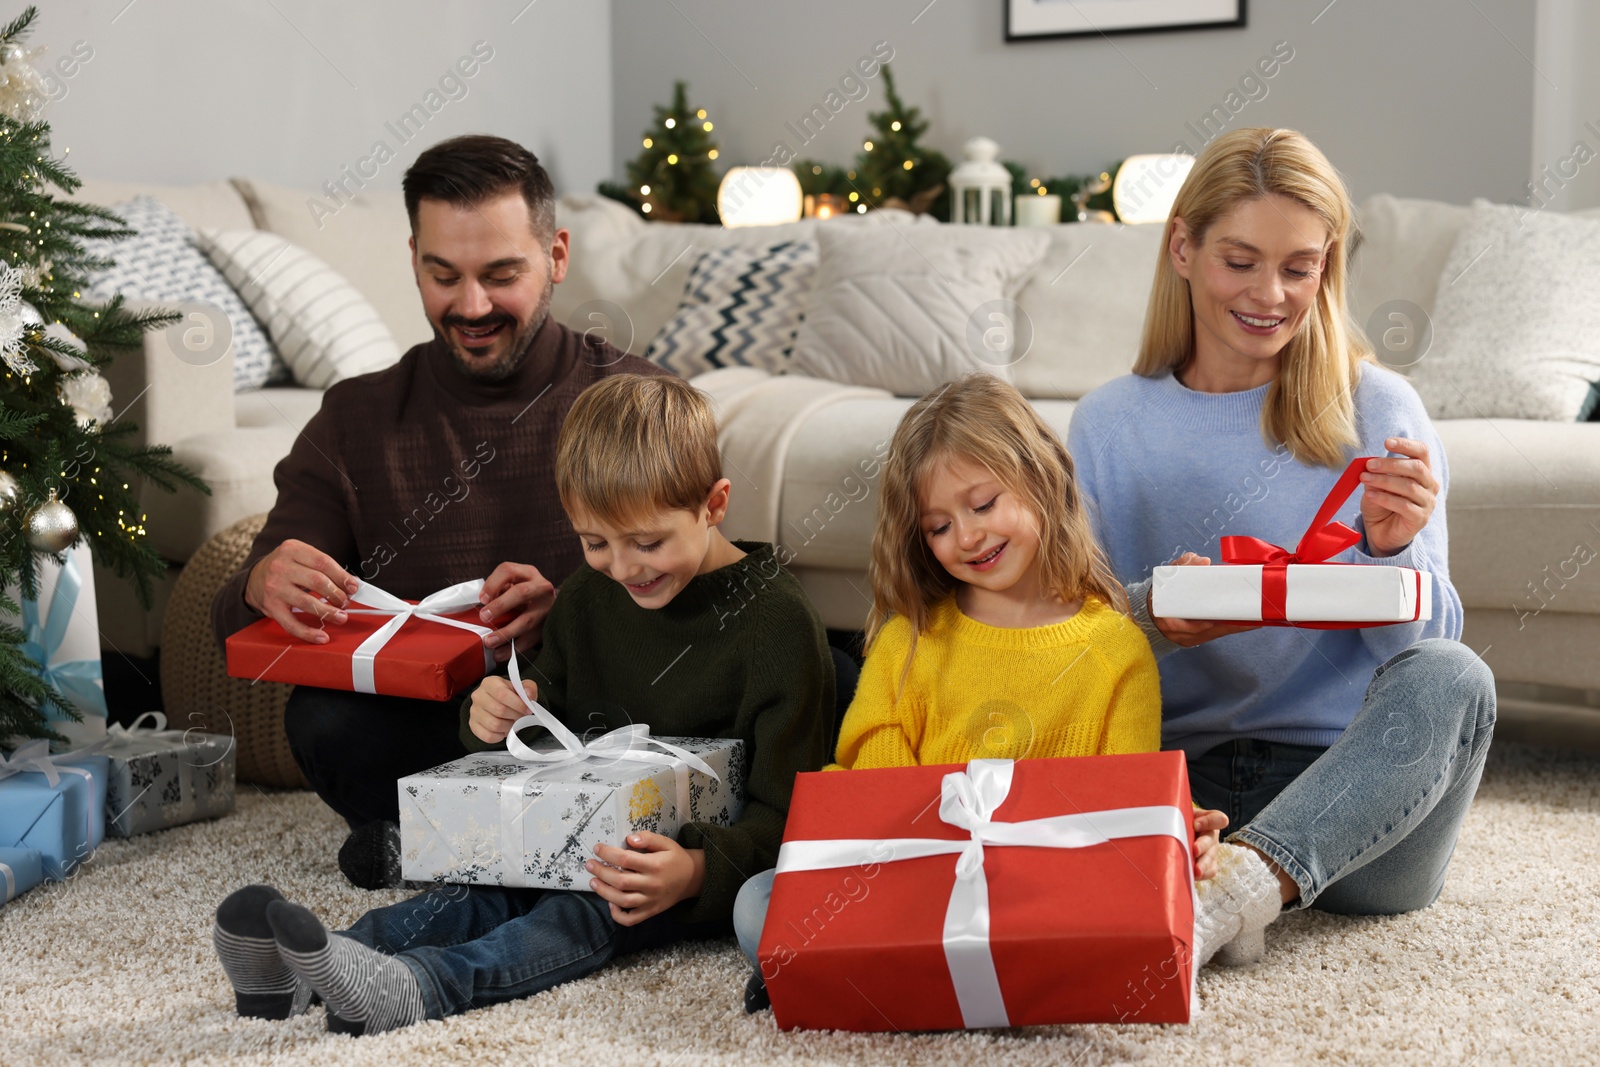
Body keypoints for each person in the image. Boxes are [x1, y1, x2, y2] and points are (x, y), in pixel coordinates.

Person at [209, 373, 836, 1033]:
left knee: (570, 916)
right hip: (562, 838)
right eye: (595, 542)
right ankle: (310, 965)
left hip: (659, 878)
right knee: (477, 889)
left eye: (647, 542)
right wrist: (495, 717)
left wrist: (696, 871)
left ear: (714, 504)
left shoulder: (776, 623)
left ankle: (419, 987)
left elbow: (792, 817)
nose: (623, 568)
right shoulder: (589, 598)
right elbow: (538, 743)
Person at [1065, 127, 1496, 962]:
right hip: (1178, 798)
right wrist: (1156, 615)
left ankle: (1237, 892)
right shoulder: (1109, 423)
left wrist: (1390, 551)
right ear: (1182, 247)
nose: (1271, 293)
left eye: (1300, 267)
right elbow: (1066, 642)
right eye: (1240, 260)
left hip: (1353, 805)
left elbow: (1424, 650)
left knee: (1458, 677)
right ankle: (1226, 885)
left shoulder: (1380, 409)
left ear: (1328, 267)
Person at [209, 135, 671, 888]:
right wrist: (265, 581)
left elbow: (707, 594)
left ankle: (444, 846)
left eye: (501, 275)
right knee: (322, 722)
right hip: (438, 731)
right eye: (442, 275)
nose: (472, 306)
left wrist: (576, 608)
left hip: (591, 719)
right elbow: (234, 617)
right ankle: (492, 845)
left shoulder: (634, 400)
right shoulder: (354, 420)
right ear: (414, 257)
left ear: (556, 255)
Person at [731, 375, 1241, 1014]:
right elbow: (869, 776)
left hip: (1047, 892)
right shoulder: (909, 637)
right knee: (757, 902)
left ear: (1041, 481)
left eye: (983, 504)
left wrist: (1177, 826)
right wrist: (928, 853)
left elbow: (1127, 792)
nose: (966, 537)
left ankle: (895, 983)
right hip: (907, 879)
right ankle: (965, 983)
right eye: (938, 526)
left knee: (1163, 909)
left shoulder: (1115, 647)